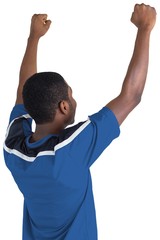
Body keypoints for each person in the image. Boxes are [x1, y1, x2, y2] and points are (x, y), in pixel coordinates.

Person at [3, 3, 156, 240]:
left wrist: (34, 37)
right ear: (64, 107)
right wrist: (145, 28)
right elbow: (131, 96)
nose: (73, 98)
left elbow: (24, 90)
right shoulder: (71, 150)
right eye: (70, 94)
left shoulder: (13, 149)